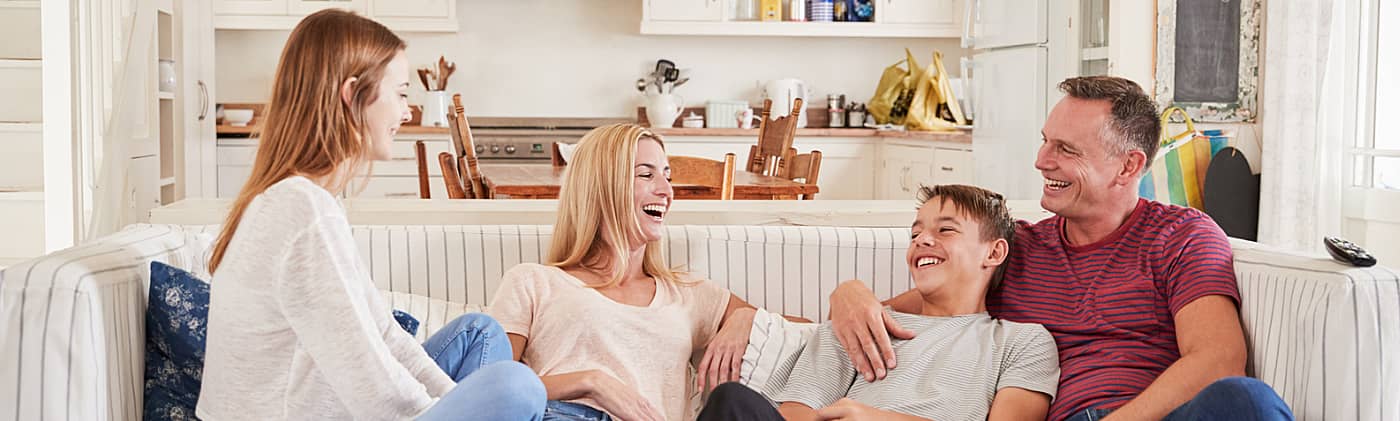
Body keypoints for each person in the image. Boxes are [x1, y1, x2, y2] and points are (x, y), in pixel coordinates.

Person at [826, 76, 1294, 421]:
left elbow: (1218, 357)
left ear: (1127, 166)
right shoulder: (1015, 249)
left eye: (1066, 149)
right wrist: (850, 294)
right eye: (1046, 141)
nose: (1042, 160)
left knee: (1245, 401)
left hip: (1157, 416)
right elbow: (901, 312)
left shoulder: (1182, 236)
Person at [197, 10, 544, 420]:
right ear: (352, 94)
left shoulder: (300, 200)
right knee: (518, 387)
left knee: (479, 332)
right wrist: (458, 410)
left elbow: (383, 335)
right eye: (399, 93)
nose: (408, 111)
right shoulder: (301, 210)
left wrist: (458, 406)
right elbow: (372, 387)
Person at [696, 184, 1061, 421]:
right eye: (915, 233)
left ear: (994, 252)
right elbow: (795, 412)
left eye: (945, 230)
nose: (922, 241)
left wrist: (875, 417)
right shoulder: (861, 322)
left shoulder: (1022, 342)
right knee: (732, 402)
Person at [488, 123, 764, 421]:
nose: (666, 190)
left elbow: (802, 332)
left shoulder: (687, 292)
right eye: (647, 175)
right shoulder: (533, 281)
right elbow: (488, 390)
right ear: (601, 186)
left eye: (667, 176)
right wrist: (591, 382)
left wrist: (745, 317)